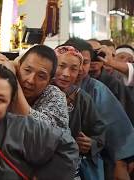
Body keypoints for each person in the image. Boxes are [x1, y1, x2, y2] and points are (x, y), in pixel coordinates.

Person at [65, 37, 134, 180]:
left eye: (85, 62)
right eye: (75, 61)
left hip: (89, 163)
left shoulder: (97, 90)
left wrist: (120, 163)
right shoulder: (48, 87)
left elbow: (117, 130)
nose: (80, 67)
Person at [54, 45, 106, 180]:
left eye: (73, 69)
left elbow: (98, 131)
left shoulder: (82, 98)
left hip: (71, 169)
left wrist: (91, 143)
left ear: (79, 73)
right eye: (61, 66)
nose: (66, 74)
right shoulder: (38, 91)